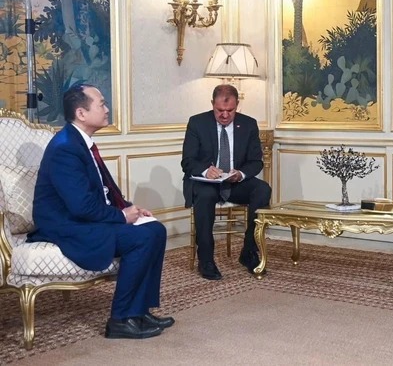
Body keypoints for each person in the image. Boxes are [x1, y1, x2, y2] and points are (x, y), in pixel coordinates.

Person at [28, 83, 173, 339]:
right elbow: (81, 206)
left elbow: (103, 191)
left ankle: (138, 311)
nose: (107, 109)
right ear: (81, 113)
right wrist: (121, 217)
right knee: (143, 237)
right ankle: (120, 319)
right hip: (67, 225)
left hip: (83, 218)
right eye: (102, 104)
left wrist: (129, 208)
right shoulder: (65, 148)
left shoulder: (79, 142)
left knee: (155, 229)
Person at [182, 84, 271, 280]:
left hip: (234, 182)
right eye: (219, 110)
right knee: (205, 196)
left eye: (230, 110)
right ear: (212, 104)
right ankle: (206, 260)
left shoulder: (248, 124)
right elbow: (187, 161)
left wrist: (241, 174)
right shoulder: (197, 123)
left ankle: (249, 251)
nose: (224, 115)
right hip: (206, 183)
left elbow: (256, 161)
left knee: (262, 190)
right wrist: (206, 170)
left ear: (237, 105)